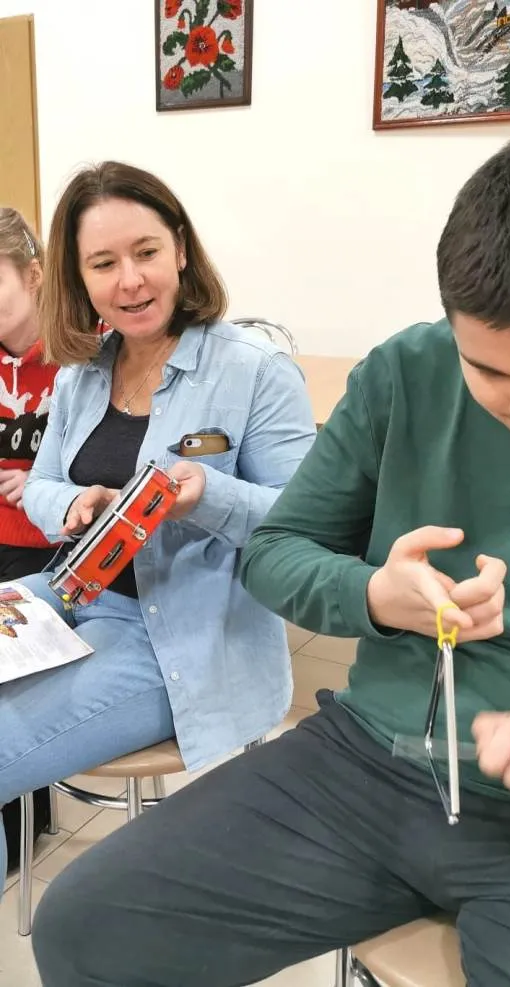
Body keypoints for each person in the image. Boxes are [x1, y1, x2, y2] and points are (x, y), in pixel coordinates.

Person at [31, 126, 510, 987]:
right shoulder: (408, 372)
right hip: (374, 765)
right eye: (488, 369)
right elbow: (278, 552)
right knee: (85, 928)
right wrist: (375, 592)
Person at [0, 162, 316, 890]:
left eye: (144, 252)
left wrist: (206, 492)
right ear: (77, 279)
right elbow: (44, 484)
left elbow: (309, 526)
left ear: (180, 247)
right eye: (103, 263)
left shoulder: (256, 372)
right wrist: (70, 506)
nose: (129, 280)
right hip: (73, 593)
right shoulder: (84, 372)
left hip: (181, 636)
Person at [0, 208, 57, 869]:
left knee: (19, 672)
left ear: (36, 276)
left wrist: (47, 479)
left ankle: (24, 815)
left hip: (54, 545)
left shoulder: (91, 348)